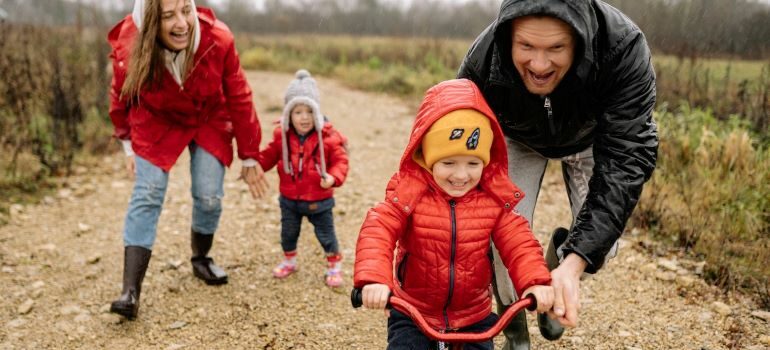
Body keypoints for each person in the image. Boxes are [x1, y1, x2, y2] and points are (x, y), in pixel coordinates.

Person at [457, 0, 659, 348]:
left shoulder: (623, 48)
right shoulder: (483, 59)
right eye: (526, 47)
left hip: (589, 138)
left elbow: (627, 158)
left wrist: (574, 262)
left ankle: (557, 269)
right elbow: (455, 142)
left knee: (601, 248)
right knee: (501, 243)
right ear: (508, 39)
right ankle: (515, 333)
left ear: (579, 40)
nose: (538, 64)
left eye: (556, 48)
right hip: (517, 137)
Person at [353, 79, 554, 350]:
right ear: (427, 156)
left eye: (473, 163)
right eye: (448, 163)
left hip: (474, 315)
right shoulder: (410, 192)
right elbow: (379, 228)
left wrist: (535, 282)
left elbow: (519, 241)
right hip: (414, 312)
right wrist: (374, 280)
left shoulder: (492, 199)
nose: (461, 175)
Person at [106, 0, 268, 319]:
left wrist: (250, 155)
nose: (182, 23)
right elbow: (119, 95)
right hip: (156, 121)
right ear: (151, 22)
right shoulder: (130, 45)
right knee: (148, 193)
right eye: (168, 16)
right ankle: (130, 292)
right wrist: (127, 144)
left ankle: (201, 258)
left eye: (186, 11)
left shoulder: (218, 39)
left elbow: (239, 95)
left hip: (207, 116)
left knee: (209, 196)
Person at [258, 70, 349, 288]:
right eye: (298, 112)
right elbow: (270, 154)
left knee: (326, 234)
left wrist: (333, 177)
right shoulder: (282, 136)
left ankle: (334, 265)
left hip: (319, 198)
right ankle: (289, 260)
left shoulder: (328, 137)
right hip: (289, 198)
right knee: (288, 233)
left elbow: (341, 161)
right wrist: (256, 166)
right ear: (289, 114)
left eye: (309, 111)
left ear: (317, 113)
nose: (304, 117)